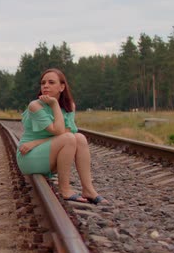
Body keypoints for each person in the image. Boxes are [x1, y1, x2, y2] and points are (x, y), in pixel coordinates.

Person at [16, 68, 108, 205]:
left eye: (51, 82)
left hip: (40, 149)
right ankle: (65, 189)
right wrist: (53, 104)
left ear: (62, 87)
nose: (45, 86)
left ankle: (88, 189)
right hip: (29, 155)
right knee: (70, 138)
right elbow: (59, 131)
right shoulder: (35, 105)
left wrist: (36, 142)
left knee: (80, 138)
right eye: (43, 83)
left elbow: (68, 132)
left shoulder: (69, 106)